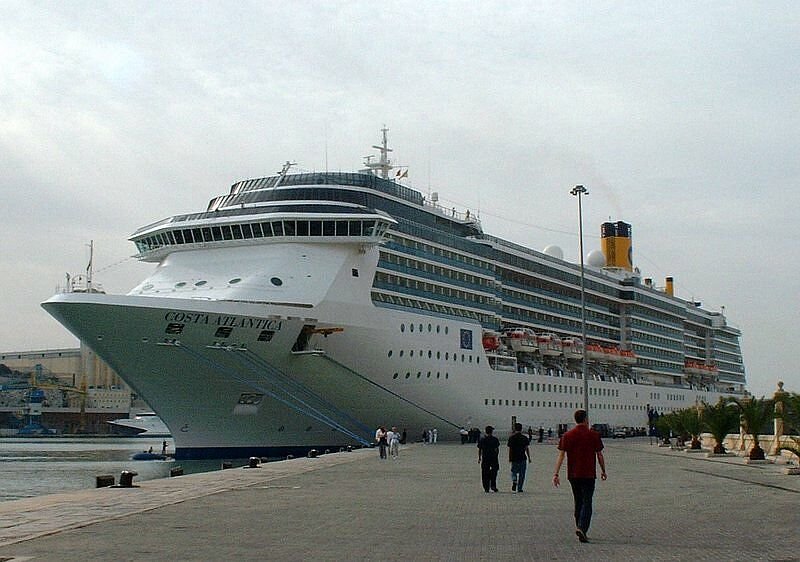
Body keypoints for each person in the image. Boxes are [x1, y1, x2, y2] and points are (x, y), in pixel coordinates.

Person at [553, 409, 607, 543]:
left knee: (578, 501)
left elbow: (561, 455)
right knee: (587, 502)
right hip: (589, 474)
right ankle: (582, 528)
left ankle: (579, 526)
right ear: (585, 419)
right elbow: (599, 455)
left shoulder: (567, 435)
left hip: (573, 474)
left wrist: (556, 473)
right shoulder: (593, 435)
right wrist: (603, 470)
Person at [507, 422, 531, 492]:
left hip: (514, 457)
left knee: (513, 471)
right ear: (521, 429)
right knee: (522, 474)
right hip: (522, 457)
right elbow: (526, 448)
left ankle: (514, 479)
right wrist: (529, 457)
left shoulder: (511, 438)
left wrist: (510, 458)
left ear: (515, 429)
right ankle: (520, 488)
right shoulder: (524, 438)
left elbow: (510, 449)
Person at [477, 425, 500, 492]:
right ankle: (493, 485)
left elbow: (480, 450)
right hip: (493, 457)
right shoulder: (495, 439)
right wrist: (496, 455)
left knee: (484, 473)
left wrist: (479, 458)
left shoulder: (482, 440)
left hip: (485, 458)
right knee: (494, 472)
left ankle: (486, 487)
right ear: (492, 431)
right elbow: (497, 449)